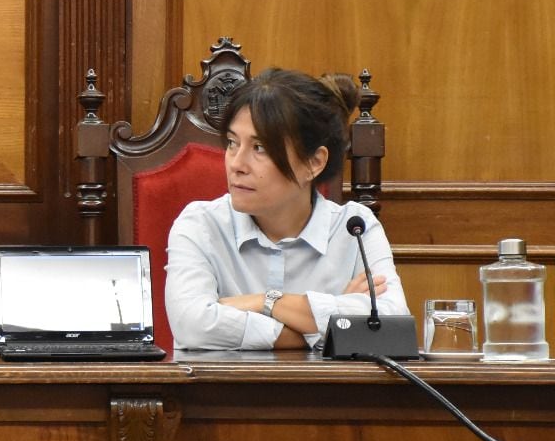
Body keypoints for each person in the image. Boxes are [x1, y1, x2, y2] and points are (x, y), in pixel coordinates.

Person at [165, 67, 409, 351]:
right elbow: (192, 326)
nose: (236, 164)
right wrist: (330, 329)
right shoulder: (200, 225)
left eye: (260, 148)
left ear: (313, 163)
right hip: (219, 393)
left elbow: (392, 323)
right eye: (232, 143)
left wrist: (265, 301)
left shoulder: (354, 227)